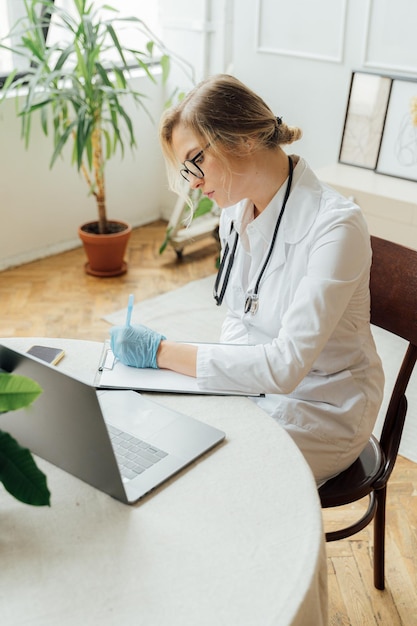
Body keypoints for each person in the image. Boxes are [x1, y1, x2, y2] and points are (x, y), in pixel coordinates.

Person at [110, 74, 385, 485]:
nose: (194, 181)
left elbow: (286, 367)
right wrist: (226, 388)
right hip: (256, 388)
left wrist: (162, 353)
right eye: (186, 169)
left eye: (196, 160)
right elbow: (239, 319)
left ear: (242, 139)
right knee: (163, 434)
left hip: (324, 409)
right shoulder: (234, 214)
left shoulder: (336, 227)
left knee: (205, 475)